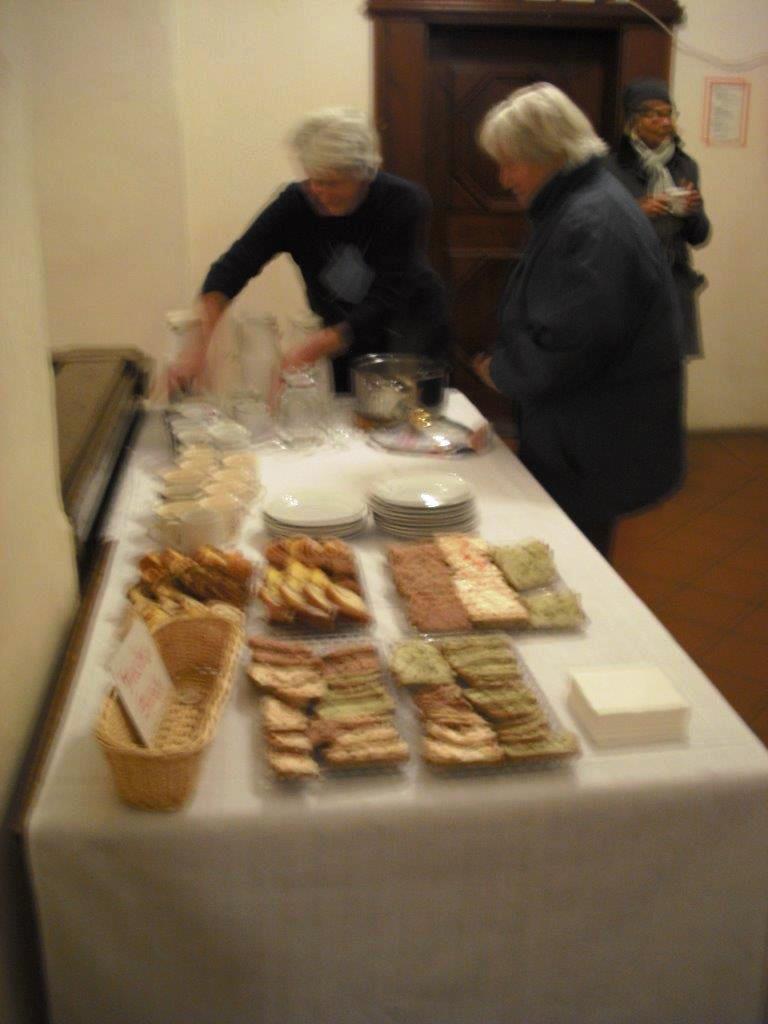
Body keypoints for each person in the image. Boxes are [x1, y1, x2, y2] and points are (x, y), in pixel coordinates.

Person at [472, 82, 685, 559]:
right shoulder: (583, 203)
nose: (503, 178)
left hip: (595, 437)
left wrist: (501, 372)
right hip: (586, 430)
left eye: (510, 162)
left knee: (576, 560)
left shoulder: (592, 220)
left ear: (550, 153)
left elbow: (571, 344)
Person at [169, 107, 450, 394]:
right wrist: (195, 348)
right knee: (350, 411)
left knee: (411, 412)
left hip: (409, 327)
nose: (318, 191)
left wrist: (316, 345)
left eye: (331, 183)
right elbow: (232, 268)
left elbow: (390, 294)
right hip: (343, 336)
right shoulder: (295, 204)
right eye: (312, 180)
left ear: (364, 174)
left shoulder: (402, 202)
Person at [606, 78, 711, 357]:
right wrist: (636, 210)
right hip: (625, 282)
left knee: (668, 367)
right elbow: (595, 228)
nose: (664, 122)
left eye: (668, 114)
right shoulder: (610, 167)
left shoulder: (684, 166)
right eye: (654, 114)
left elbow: (700, 236)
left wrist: (693, 210)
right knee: (624, 364)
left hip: (672, 281)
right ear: (633, 120)